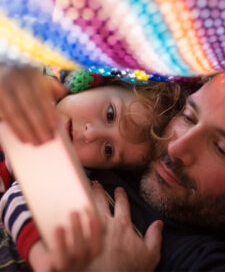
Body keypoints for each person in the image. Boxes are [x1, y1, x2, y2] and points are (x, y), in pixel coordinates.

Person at [2, 64, 225, 271]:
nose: (175, 148)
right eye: (189, 117)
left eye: (221, 148)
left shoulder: (201, 258)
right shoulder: (91, 150)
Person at [0, 64, 190, 270]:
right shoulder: (38, 77)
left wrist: (42, 255)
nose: (91, 134)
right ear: (96, 83)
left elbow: (19, 200)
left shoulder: (59, 169)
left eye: (108, 150)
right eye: (110, 114)